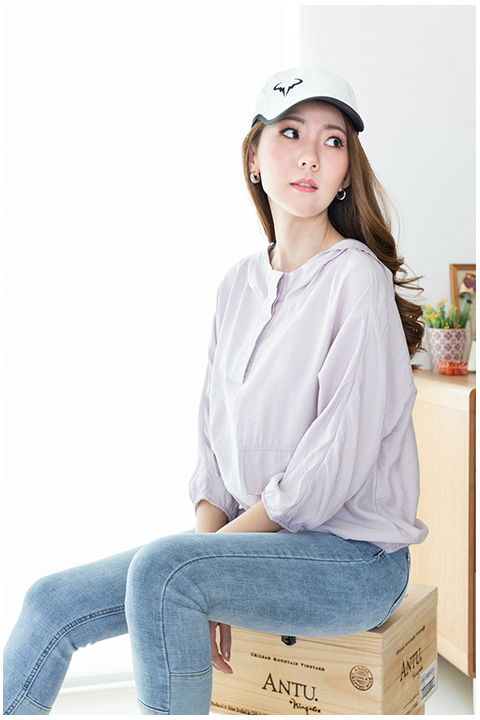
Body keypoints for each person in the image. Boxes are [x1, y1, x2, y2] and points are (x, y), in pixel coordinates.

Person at [3, 66, 428, 716]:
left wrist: (205, 562)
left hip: (353, 563)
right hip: (255, 543)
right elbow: (212, 448)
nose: (311, 155)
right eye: (291, 133)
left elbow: (327, 470)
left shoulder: (357, 282)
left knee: (165, 568)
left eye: (333, 140)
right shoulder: (237, 286)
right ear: (254, 157)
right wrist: (209, 557)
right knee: (50, 602)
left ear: (347, 172)